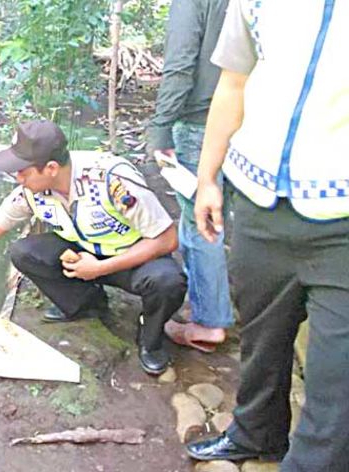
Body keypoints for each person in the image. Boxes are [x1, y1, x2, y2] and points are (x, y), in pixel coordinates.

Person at [186, 0, 349, 470]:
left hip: (340, 222)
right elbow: (234, 81)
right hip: (257, 202)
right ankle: (255, 434)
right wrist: (206, 178)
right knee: (261, 338)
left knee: (335, 378)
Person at [0, 120, 186, 375]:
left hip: (133, 259)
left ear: (50, 168)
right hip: (83, 254)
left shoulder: (111, 181)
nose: (17, 177)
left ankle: (150, 337)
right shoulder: (32, 191)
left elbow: (166, 239)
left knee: (168, 282)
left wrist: (100, 268)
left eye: (23, 171)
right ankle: (88, 304)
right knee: (23, 253)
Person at [147, 0, 233, 352]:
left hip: (202, 121)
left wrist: (161, 126)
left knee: (201, 221)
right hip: (253, 121)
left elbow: (181, 66)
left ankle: (209, 322)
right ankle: (220, 303)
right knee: (226, 215)